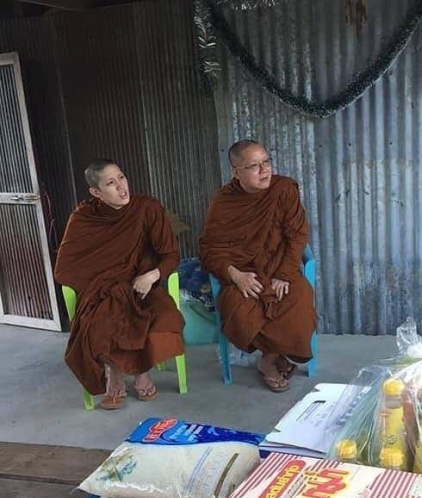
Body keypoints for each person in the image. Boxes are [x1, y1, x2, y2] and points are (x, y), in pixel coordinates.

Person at [54, 159, 185, 410]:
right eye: (111, 183)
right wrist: (102, 286)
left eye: (122, 178)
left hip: (143, 284)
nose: (121, 187)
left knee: (163, 318)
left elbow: (170, 254)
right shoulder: (83, 217)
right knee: (102, 322)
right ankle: (119, 372)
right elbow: (65, 268)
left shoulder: (147, 208)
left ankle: (138, 370)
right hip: (103, 289)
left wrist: (152, 275)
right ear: (96, 192)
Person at [199, 140, 316, 392]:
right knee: (240, 314)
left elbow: (297, 234)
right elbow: (209, 249)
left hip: (278, 267)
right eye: (254, 166)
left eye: (267, 162)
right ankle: (275, 356)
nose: (264, 170)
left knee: (298, 301)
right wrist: (236, 276)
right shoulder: (224, 202)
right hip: (242, 273)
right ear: (236, 171)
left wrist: (285, 273)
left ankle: (268, 360)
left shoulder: (283, 189)